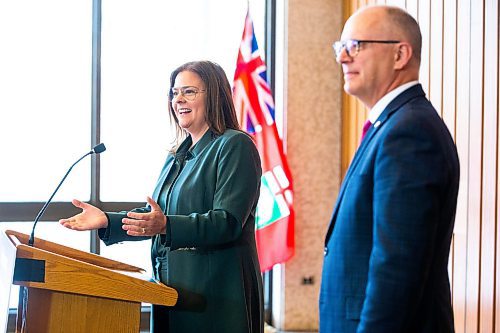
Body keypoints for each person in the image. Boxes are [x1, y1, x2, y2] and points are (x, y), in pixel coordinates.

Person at [60, 60, 264, 333]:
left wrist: (165, 224)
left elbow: (225, 222)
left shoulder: (234, 146)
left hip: (216, 296)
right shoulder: (178, 156)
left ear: (214, 95)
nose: (178, 99)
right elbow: (156, 216)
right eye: (174, 92)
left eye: (189, 91)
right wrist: (106, 221)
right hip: (171, 292)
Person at [320, 5, 459, 333]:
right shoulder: (391, 125)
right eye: (341, 48)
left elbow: (397, 268)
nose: (342, 58)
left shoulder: (409, 133)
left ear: (400, 54)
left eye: (356, 46)